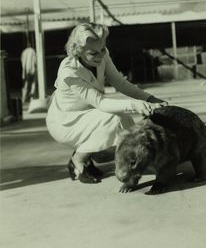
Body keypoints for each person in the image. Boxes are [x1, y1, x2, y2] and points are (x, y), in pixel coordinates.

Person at [46, 22, 168, 184]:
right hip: (66, 122)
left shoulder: (102, 54)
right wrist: (135, 105)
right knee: (114, 119)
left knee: (126, 125)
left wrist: (149, 98)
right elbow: (100, 102)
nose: (100, 55)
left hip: (88, 114)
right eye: (93, 53)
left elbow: (120, 83)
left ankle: (91, 153)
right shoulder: (69, 72)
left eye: (102, 49)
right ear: (77, 51)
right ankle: (78, 161)